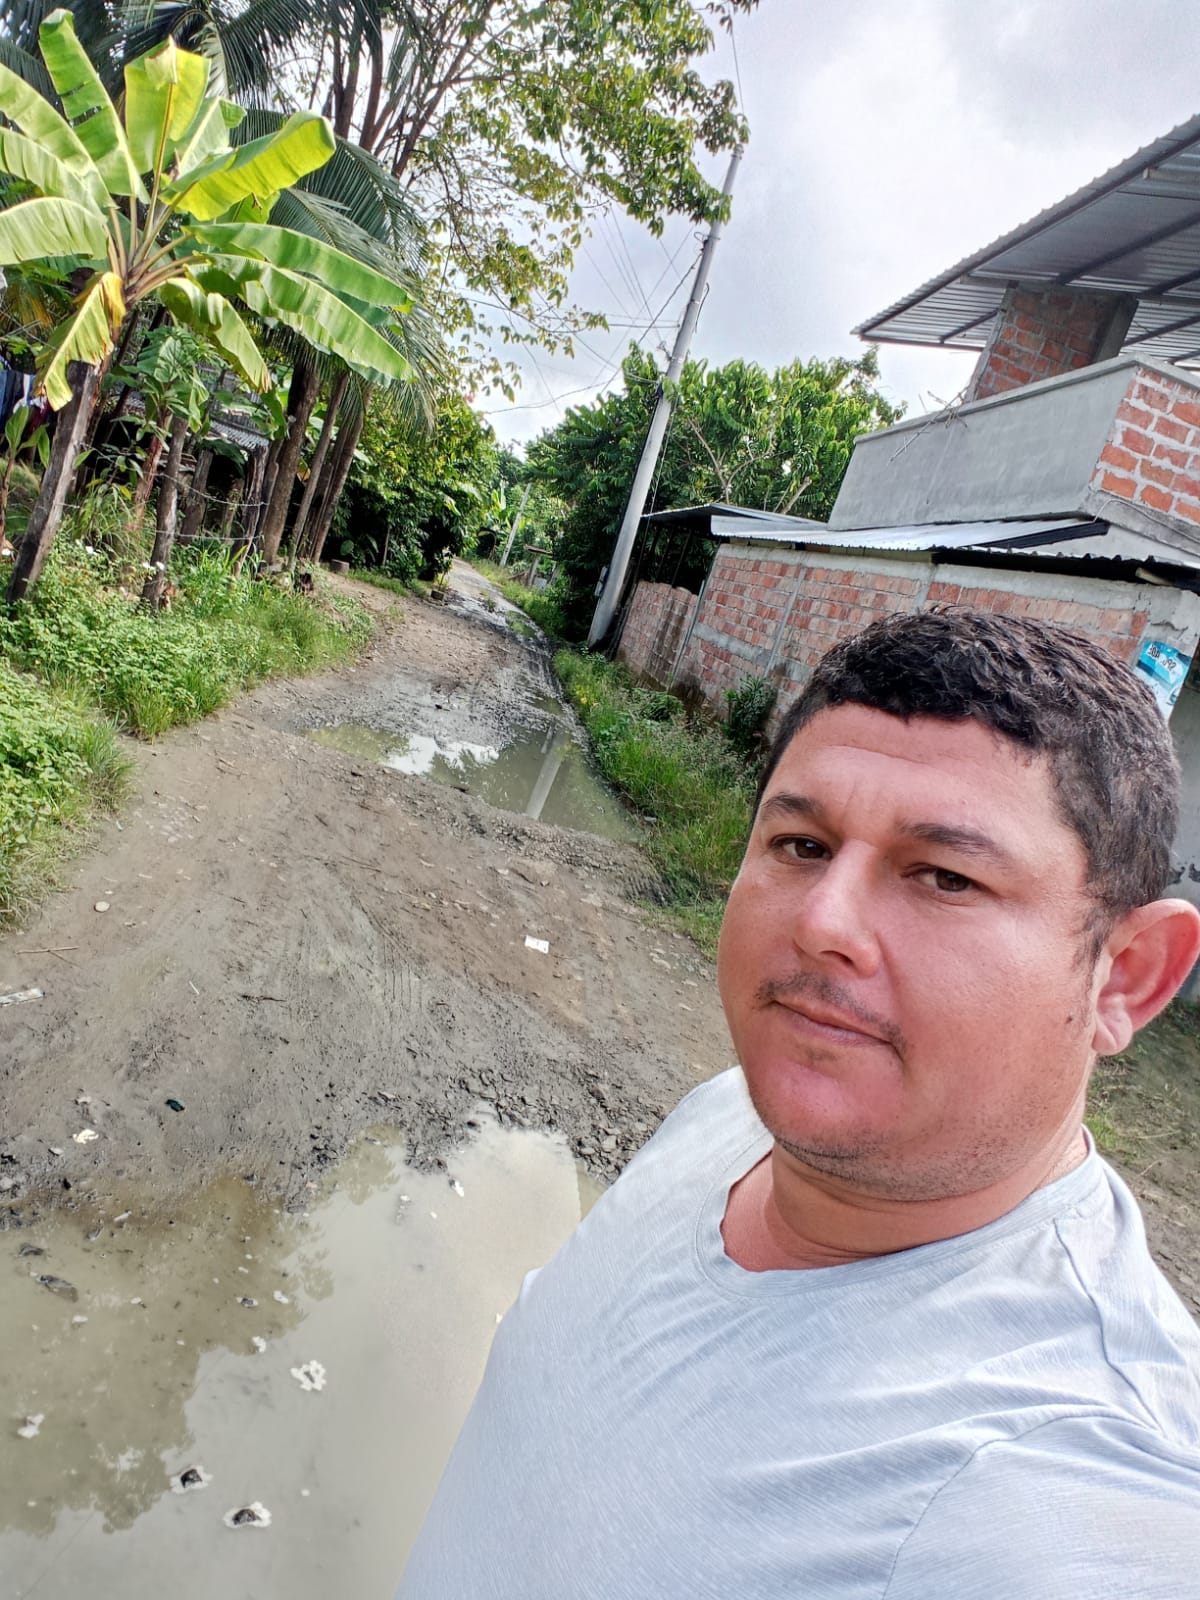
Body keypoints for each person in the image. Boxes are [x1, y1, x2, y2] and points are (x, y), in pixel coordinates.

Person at [397, 608, 1200, 1599]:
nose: (824, 921)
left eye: (945, 876)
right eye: (802, 845)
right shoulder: (727, 1118)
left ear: (1126, 975)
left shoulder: (1062, 1502)